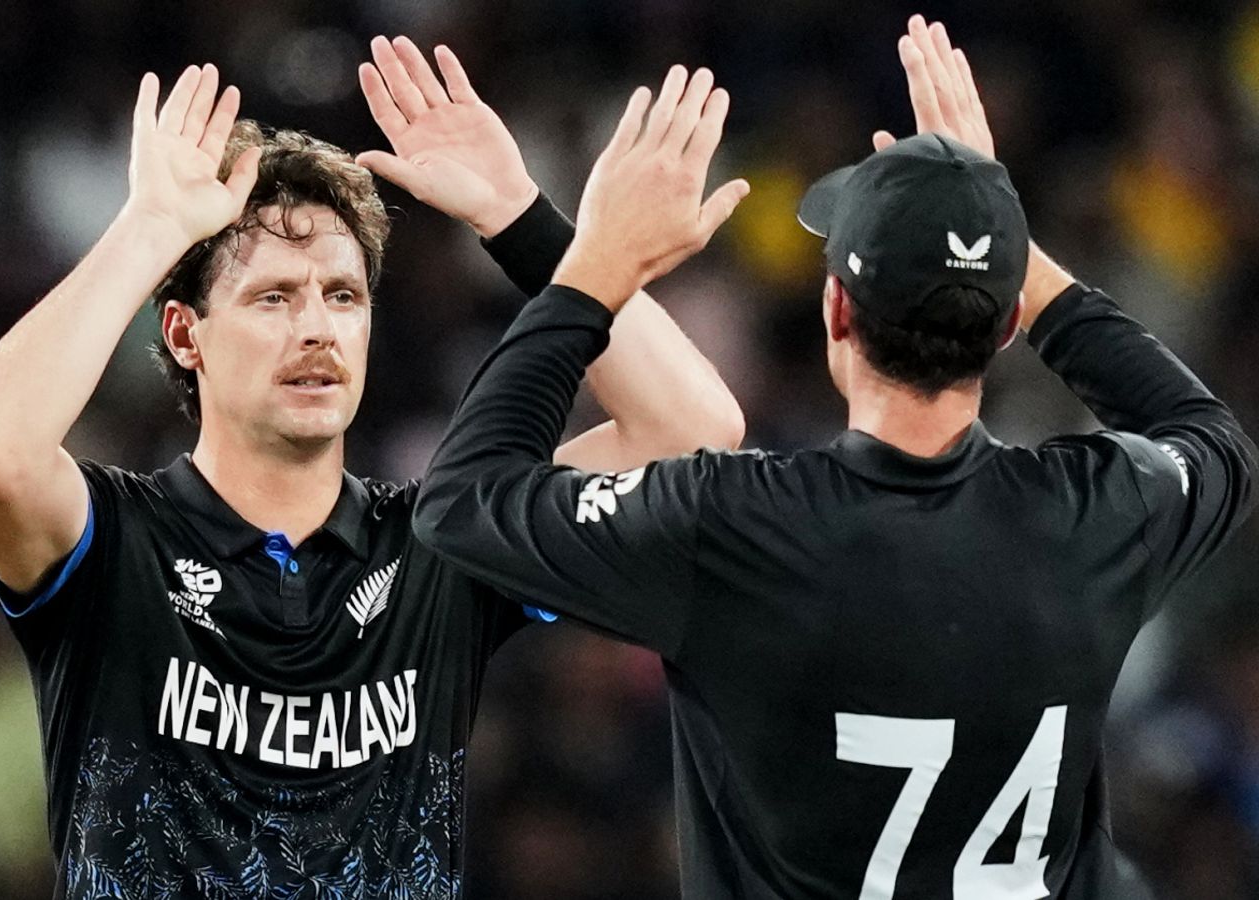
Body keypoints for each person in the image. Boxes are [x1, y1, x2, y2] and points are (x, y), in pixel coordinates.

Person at [413, 16, 1256, 900]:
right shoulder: (1100, 512)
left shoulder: (732, 523)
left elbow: (462, 500)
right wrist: (998, 237)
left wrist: (588, 262)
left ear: (836, 311)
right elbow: (1211, 438)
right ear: (1009, 325)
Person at [0, 39, 744, 898]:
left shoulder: (445, 545)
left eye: (343, 296)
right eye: (273, 297)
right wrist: (151, 230)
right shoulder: (114, 540)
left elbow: (692, 432)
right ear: (184, 335)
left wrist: (519, 217)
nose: (317, 329)